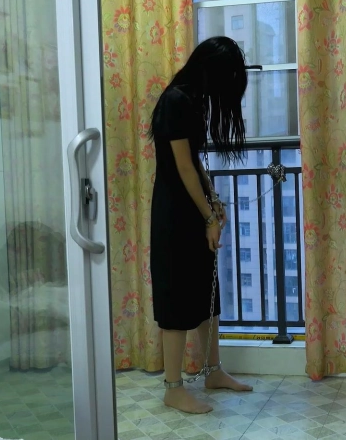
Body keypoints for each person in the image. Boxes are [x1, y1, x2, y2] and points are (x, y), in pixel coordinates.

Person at [148, 36, 253, 414]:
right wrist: (208, 216)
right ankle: (173, 388)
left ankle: (213, 370)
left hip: (191, 208)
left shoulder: (193, 100)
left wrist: (213, 202)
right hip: (174, 215)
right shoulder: (176, 100)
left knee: (207, 293)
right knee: (176, 297)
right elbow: (183, 167)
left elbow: (195, 163)